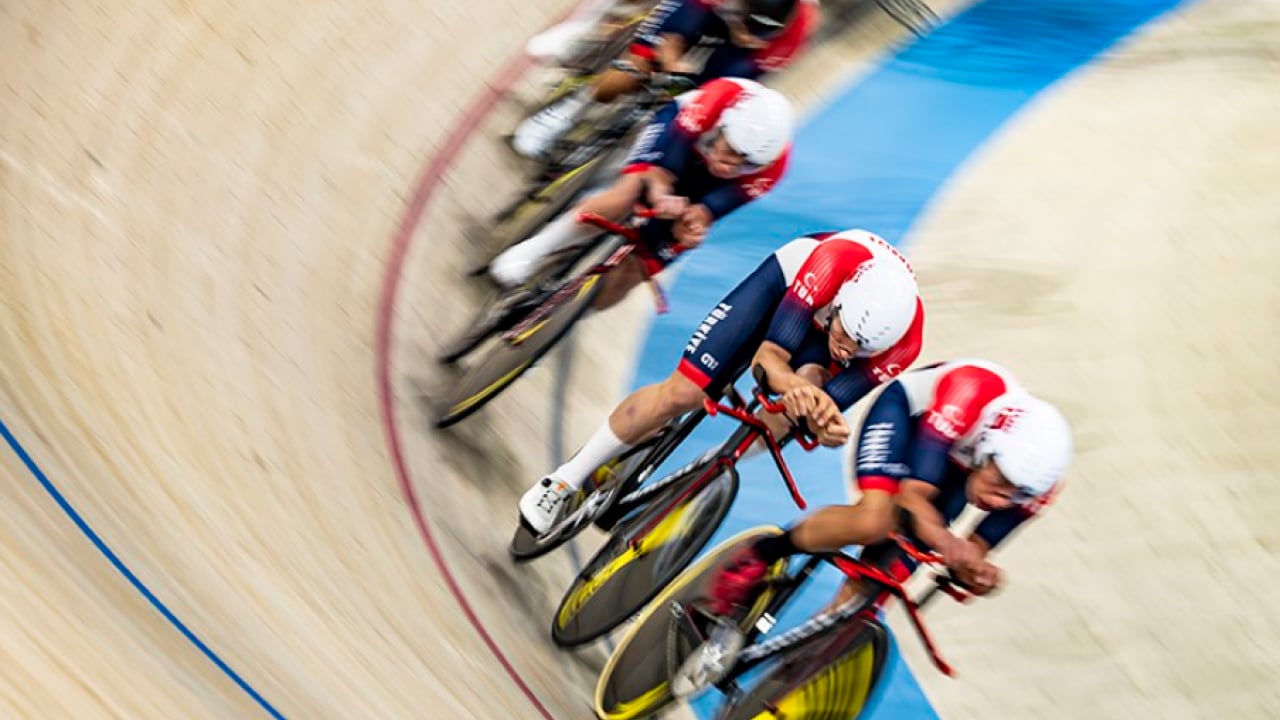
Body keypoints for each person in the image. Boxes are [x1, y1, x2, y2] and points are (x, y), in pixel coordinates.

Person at [518, 227, 925, 534]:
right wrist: (796, 388)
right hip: (788, 285)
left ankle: (701, 471)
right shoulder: (832, 263)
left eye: (859, 350)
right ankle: (564, 480)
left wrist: (825, 420)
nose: (846, 351)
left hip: (828, 330)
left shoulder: (904, 345)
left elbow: (827, 397)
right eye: (843, 337)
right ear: (840, 303)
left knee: (787, 420)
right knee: (683, 392)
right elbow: (769, 359)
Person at [705, 359, 1074, 615]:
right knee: (876, 521)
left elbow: (972, 551)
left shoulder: (1039, 484)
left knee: (888, 578)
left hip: (959, 464)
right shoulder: (972, 390)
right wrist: (948, 544)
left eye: (1014, 495)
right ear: (989, 445)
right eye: (1000, 482)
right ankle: (764, 553)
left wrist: (978, 574)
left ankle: (812, 649)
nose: (998, 500)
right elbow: (912, 497)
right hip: (910, 420)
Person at [489, 77, 794, 311]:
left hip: (705, 183)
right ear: (725, 126)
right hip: (678, 137)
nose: (732, 165)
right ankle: (533, 250)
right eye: (733, 151)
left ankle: (558, 323)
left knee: (640, 267)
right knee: (629, 193)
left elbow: (711, 209)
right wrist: (660, 192)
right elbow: (662, 170)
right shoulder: (718, 99)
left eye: (747, 163)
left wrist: (693, 224)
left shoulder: (772, 169)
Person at [513, 0, 818, 158]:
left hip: (737, 50)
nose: (749, 38)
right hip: (709, 9)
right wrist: (668, 58)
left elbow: (724, 89)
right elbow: (672, 33)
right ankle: (568, 110)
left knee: (697, 105)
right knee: (635, 69)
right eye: (748, 29)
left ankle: (625, 148)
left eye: (759, 36)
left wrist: (689, 92)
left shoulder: (791, 39)